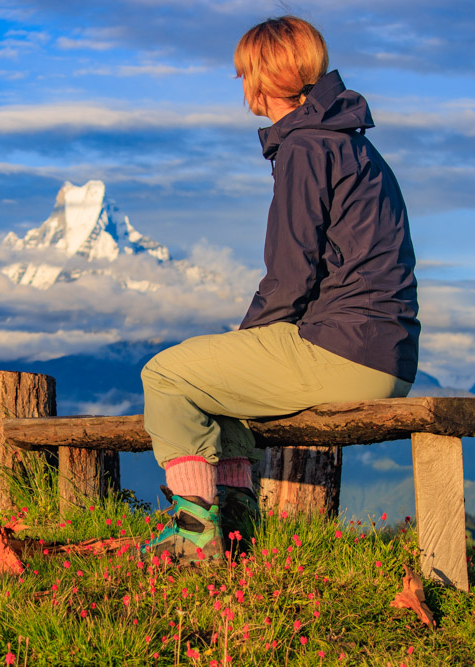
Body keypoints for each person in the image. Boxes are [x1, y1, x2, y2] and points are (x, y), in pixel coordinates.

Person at [140, 16, 420, 562]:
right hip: (385, 353)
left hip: (343, 351)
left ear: (262, 79)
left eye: (244, 72)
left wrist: (248, 340)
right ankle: (237, 531)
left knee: (167, 374)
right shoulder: (350, 144)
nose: (243, 84)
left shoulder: (306, 148)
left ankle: (195, 539)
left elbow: (290, 276)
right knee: (218, 382)